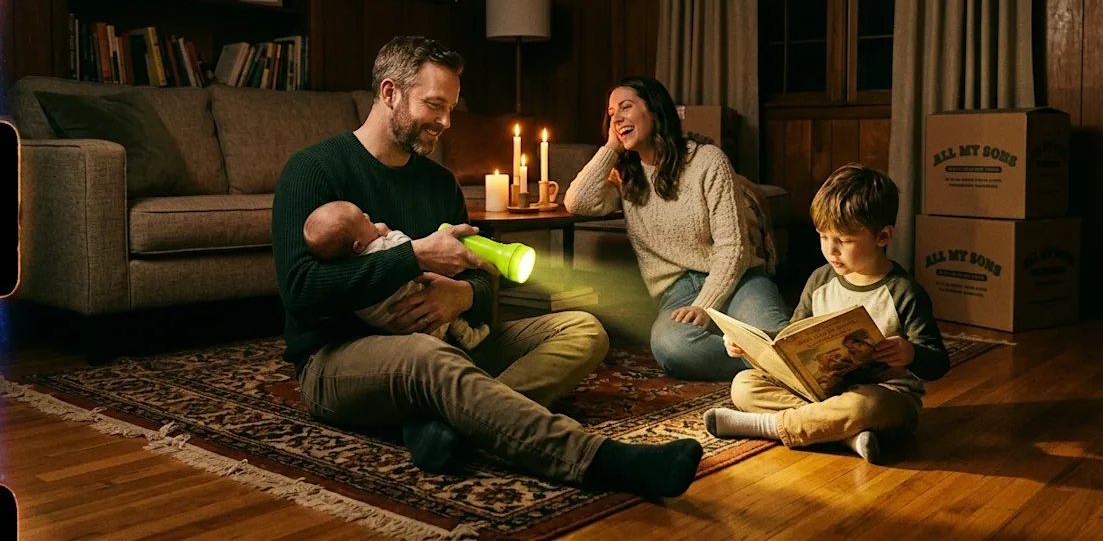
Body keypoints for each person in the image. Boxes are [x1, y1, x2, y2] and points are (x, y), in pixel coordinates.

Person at [272, 36, 703, 497]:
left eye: (452, 108)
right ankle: (600, 460)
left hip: (450, 343)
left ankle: (454, 422)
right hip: (339, 359)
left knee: (585, 329)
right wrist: (413, 256)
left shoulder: (439, 183)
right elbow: (301, 291)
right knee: (426, 357)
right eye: (435, 105)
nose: (446, 122)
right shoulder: (312, 170)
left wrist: (464, 294)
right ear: (389, 93)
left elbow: (479, 272)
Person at [703, 163, 951, 464]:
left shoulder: (903, 291)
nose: (831, 250)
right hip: (820, 395)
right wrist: (752, 345)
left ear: (882, 237)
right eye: (823, 237)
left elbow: (937, 363)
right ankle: (846, 435)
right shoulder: (820, 280)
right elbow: (791, 340)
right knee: (744, 384)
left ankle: (765, 426)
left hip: (885, 396)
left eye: (844, 241)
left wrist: (910, 352)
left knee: (865, 408)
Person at [563, 76, 791, 381]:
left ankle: (775, 360)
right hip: (678, 292)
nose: (616, 117)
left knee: (776, 338)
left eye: (626, 107)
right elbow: (577, 202)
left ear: (655, 110)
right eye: (611, 112)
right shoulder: (628, 177)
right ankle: (769, 366)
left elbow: (733, 247)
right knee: (671, 346)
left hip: (739, 280)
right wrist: (611, 147)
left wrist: (705, 306)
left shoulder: (708, 161)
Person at [303, 199, 488, 351]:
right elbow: (408, 248)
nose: (368, 216)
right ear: (358, 246)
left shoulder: (348, 269)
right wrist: (391, 234)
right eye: (363, 220)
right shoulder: (379, 248)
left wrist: (467, 293)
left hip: (400, 332)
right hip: (422, 322)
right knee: (452, 326)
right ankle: (469, 338)